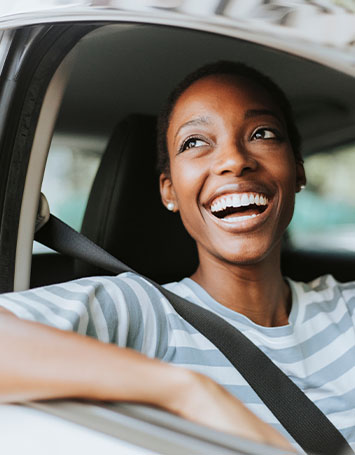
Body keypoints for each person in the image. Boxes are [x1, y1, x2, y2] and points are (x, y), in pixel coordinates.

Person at [0, 61, 354, 453]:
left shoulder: (347, 306)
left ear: (298, 171)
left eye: (263, 133)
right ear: (169, 191)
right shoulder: (145, 310)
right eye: (195, 142)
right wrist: (188, 391)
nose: (234, 160)